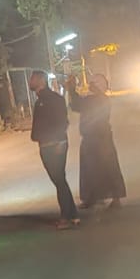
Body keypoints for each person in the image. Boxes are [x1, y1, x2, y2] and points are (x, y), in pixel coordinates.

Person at [29, 71, 80, 229]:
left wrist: (59, 142)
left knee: (59, 180)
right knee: (60, 181)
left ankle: (66, 217)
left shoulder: (53, 99)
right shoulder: (40, 101)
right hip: (46, 145)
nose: (31, 81)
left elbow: (62, 122)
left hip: (55, 145)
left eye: (33, 78)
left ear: (42, 81)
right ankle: (73, 215)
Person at [69, 73, 127, 209]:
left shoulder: (97, 100)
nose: (89, 86)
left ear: (98, 86)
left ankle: (102, 197)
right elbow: (77, 105)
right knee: (96, 168)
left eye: (92, 84)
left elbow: (77, 105)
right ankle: (97, 197)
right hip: (98, 138)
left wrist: (72, 89)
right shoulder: (99, 99)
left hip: (98, 138)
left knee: (104, 168)